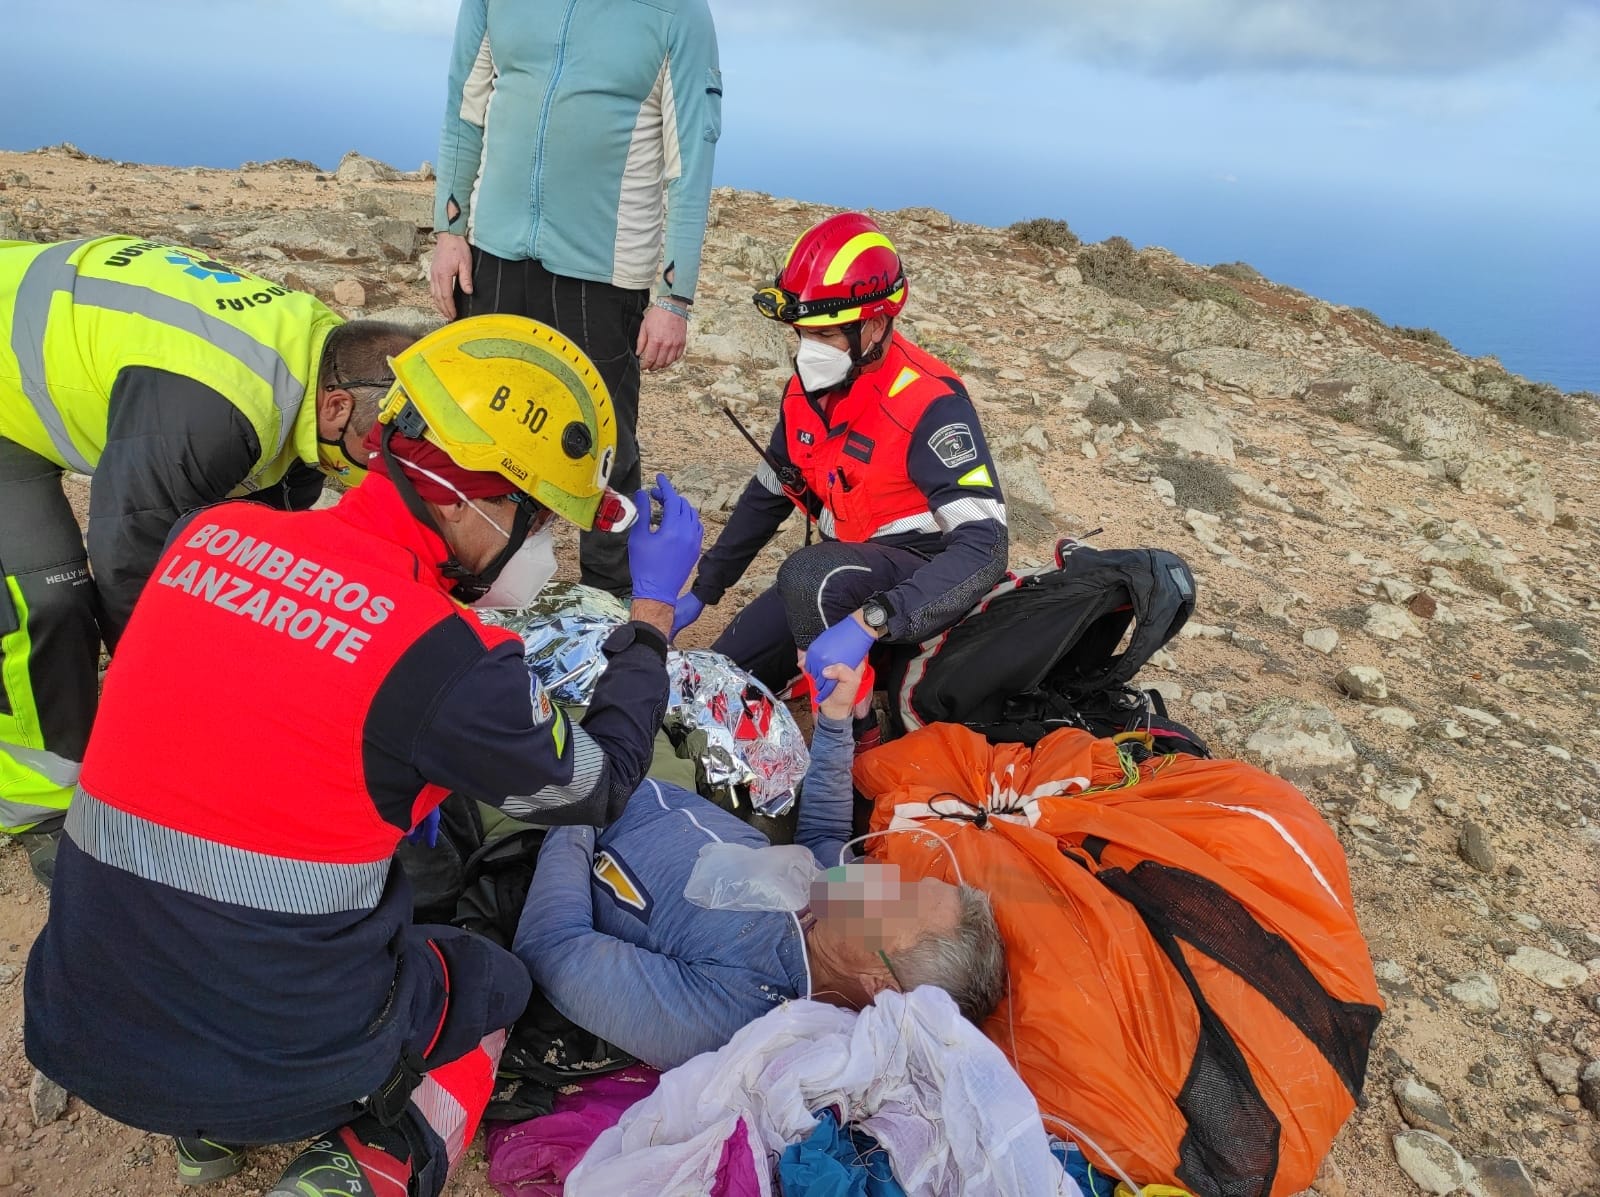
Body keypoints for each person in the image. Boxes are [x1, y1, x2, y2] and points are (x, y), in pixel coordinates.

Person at [23, 315, 704, 1197]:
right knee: (491, 980)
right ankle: (378, 1160)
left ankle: (202, 1140)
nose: (541, 546)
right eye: (537, 519)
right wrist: (647, 620)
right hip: (266, 1058)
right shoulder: (444, 655)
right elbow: (597, 782)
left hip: (79, 1021)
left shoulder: (209, 537)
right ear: (473, 499)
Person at [0, 234, 420, 881]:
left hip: (57, 351)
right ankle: (41, 809)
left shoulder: (327, 357)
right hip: (8, 375)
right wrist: (197, 721)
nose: (384, 470)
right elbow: (128, 567)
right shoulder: (219, 410)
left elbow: (263, 545)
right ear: (337, 407)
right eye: (383, 449)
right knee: (48, 598)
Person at [514, 653, 1007, 1070]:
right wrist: (835, 719)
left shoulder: (739, 1012)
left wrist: (580, 808)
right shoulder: (829, 909)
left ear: (879, 984)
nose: (879, 876)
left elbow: (554, 949)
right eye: (905, 881)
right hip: (641, 776)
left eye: (894, 902)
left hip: (551, 814)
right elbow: (825, 833)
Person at [429, 0, 722, 600]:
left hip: (606, 275)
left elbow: (691, 159)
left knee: (603, 451)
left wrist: (675, 296)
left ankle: (605, 604)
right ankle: (468, 583)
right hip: (492, 252)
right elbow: (465, 105)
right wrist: (449, 230)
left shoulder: (678, 12)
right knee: (477, 429)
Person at [671, 213, 1009, 723]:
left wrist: (876, 619)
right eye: (801, 333)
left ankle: (856, 731)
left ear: (873, 324)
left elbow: (985, 547)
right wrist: (703, 590)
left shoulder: (929, 403)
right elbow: (769, 493)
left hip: (917, 573)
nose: (809, 351)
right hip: (847, 567)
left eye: (826, 334)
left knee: (809, 576)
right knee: (720, 672)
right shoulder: (804, 394)